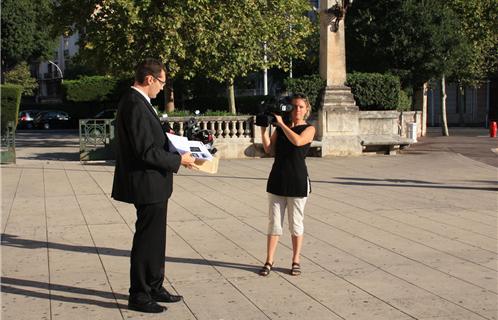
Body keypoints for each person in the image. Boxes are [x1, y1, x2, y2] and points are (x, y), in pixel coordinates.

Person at [111, 58, 196, 313]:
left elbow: (151, 140)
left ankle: (155, 285)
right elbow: (145, 150)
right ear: (149, 79)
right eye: (161, 82)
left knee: (156, 239)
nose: (162, 87)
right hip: (146, 183)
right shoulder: (134, 104)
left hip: (154, 183)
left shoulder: (140, 102)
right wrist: (178, 159)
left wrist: (174, 143)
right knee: (147, 239)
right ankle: (139, 294)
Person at [258, 93, 316, 277]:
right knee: (274, 223)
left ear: (306, 110)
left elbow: (298, 142)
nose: (297, 110)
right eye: (294, 106)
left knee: (295, 224)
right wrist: (263, 130)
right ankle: (269, 260)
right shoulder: (281, 129)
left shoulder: (309, 129)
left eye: (301, 107)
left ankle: (295, 260)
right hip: (277, 178)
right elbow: (269, 150)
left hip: (297, 180)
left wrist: (282, 124)